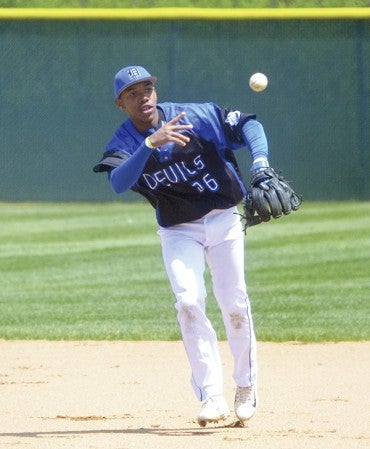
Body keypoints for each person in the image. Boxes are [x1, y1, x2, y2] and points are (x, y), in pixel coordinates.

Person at [93, 65, 270, 427]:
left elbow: (249, 124)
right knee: (189, 302)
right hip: (178, 229)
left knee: (234, 301)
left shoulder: (195, 116)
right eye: (133, 93)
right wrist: (149, 145)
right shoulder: (125, 141)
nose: (143, 96)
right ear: (120, 103)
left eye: (147, 88)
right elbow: (118, 182)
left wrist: (261, 164)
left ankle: (245, 385)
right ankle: (211, 395)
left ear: (155, 92)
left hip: (223, 218)